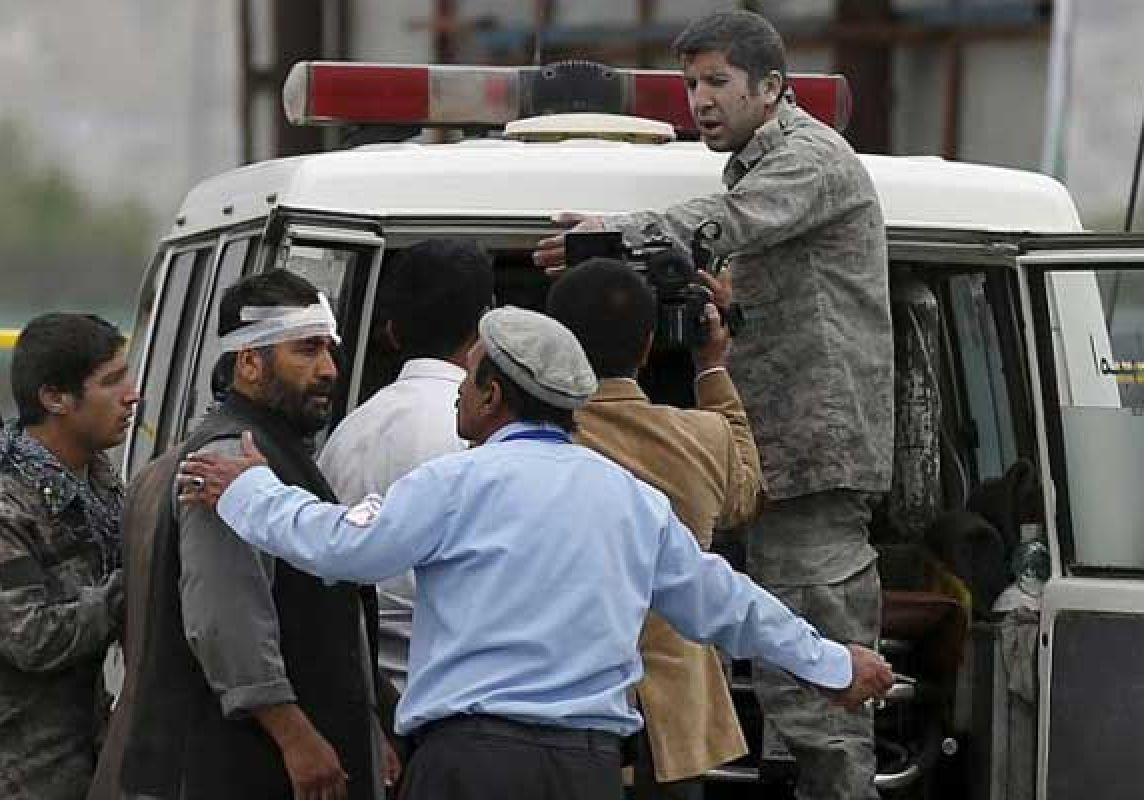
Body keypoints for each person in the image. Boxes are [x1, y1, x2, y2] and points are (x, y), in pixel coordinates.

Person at [177, 305, 893, 800]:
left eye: (469, 379)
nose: (457, 392)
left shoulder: (456, 484)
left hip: (472, 766)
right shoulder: (631, 500)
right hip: (584, 773)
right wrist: (831, 664)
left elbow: (339, 548)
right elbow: (726, 605)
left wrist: (249, 491)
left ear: (494, 397)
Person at [533, 11, 894, 799]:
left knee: (819, 693)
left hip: (808, 463)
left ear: (772, 88)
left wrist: (615, 237)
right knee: (787, 676)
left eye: (717, 83)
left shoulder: (810, 161)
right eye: (691, 84)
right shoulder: (762, 169)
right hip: (770, 460)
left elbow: (732, 220)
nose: (699, 100)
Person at [108, 271, 381, 800]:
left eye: (329, 350)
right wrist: (296, 737)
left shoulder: (275, 450)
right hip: (240, 766)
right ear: (250, 362)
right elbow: (224, 619)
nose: (328, 369)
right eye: (307, 351)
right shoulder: (229, 458)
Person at [545, 258, 762, 799]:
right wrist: (712, 367)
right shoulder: (704, 437)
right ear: (648, 346)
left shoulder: (533, 440)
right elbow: (747, 498)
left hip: (562, 701)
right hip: (677, 716)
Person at [318, 239, 494, 699]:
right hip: (452, 698)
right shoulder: (480, 434)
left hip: (359, 694)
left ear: (392, 331)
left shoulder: (346, 434)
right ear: (488, 324)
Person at [0, 313, 136, 800]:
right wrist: (133, 585)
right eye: (113, 382)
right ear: (55, 398)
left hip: (88, 747)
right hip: (25, 771)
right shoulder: (9, 504)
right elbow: (30, 636)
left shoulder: (98, 477)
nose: (133, 394)